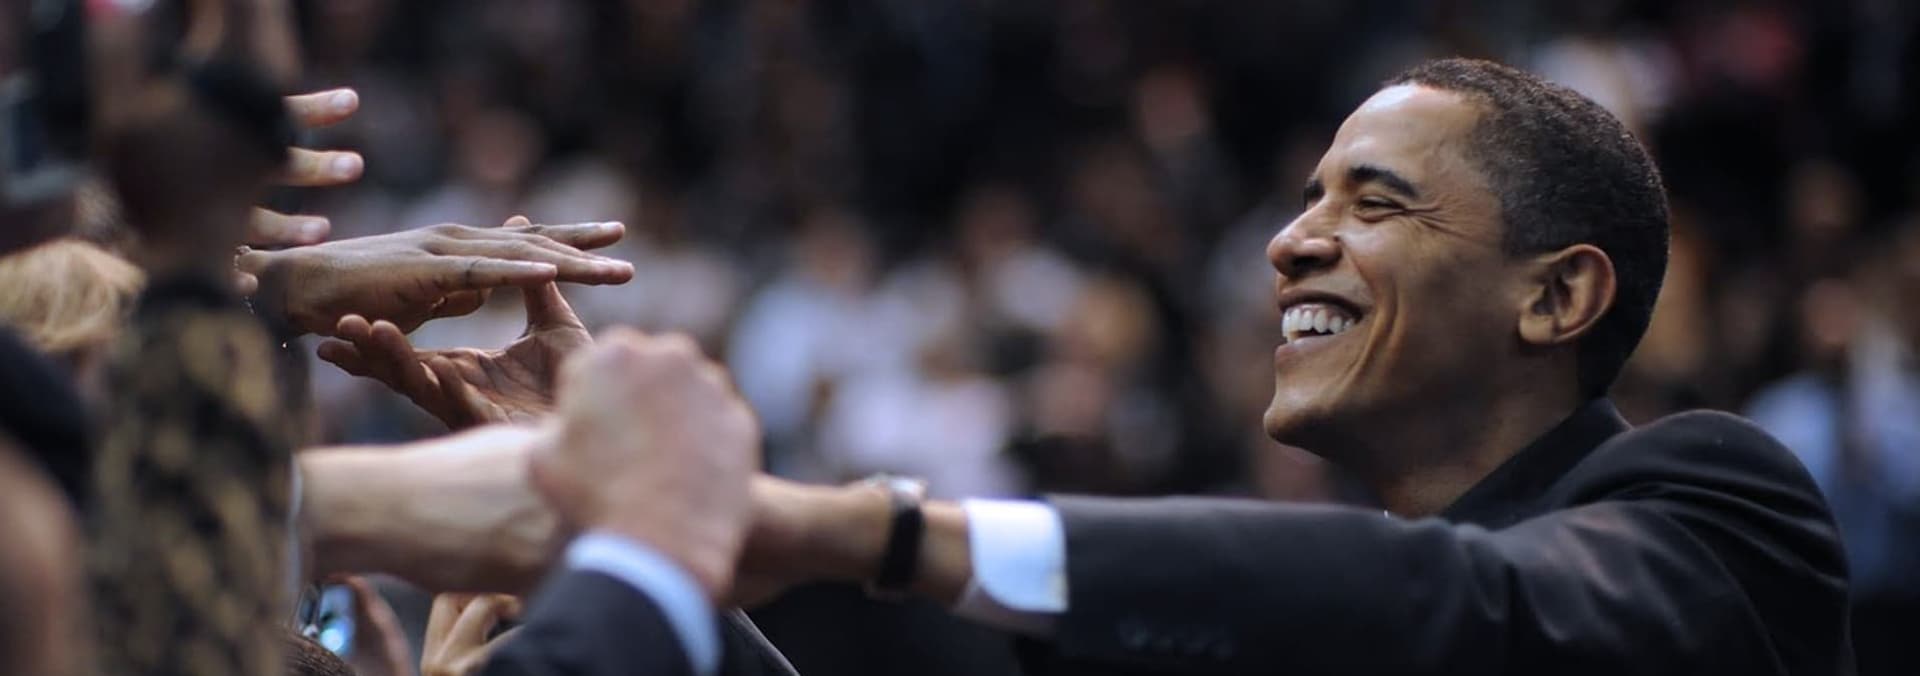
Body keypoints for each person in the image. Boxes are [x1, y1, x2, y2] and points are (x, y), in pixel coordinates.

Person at [337, 58, 1853, 675]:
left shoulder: (1721, 510)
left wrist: (870, 529)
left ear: (1558, 295)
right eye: (1305, 198)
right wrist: (635, 548)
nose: (1290, 243)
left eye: (1375, 203)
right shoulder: (1279, 618)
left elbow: (1459, 608)